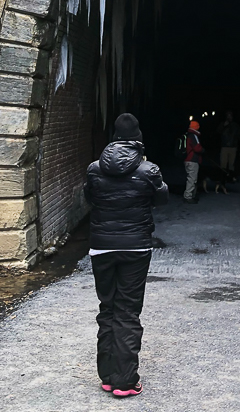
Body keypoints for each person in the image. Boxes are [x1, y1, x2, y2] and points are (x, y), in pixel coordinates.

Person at [85, 112, 169, 398]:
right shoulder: (148, 170)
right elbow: (162, 198)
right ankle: (125, 380)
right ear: (138, 141)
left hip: (101, 246)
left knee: (107, 307)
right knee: (128, 311)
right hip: (135, 248)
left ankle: (108, 376)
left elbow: (90, 198)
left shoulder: (95, 168)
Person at [217, 109, 240, 179]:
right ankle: (222, 177)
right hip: (224, 146)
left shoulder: (236, 125)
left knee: (231, 164)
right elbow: (218, 132)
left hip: (233, 147)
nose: (229, 117)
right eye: (228, 115)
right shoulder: (222, 124)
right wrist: (223, 125)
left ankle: (230, 177)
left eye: (230, 115)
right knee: (223, 163)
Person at [183, 119, 204, 202]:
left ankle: (192, 195)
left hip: (187, 159)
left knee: (191, 178)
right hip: (192, 160)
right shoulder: (193, 135)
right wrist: (203, 150)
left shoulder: (187, 134)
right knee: (192, 179)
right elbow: (197, 148)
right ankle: (188, 196)